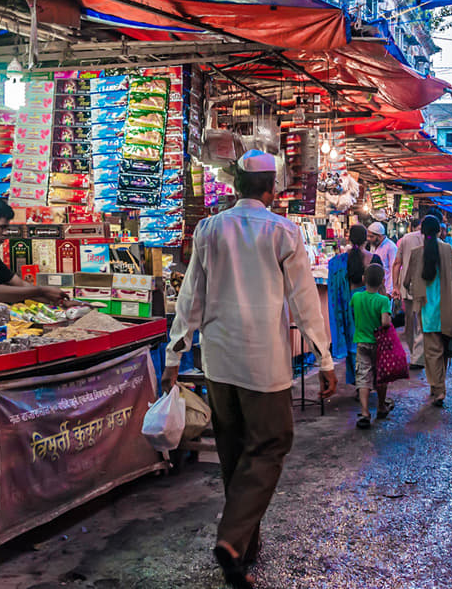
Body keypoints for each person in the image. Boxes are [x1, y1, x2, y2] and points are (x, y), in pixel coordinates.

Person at [161, 150, 338, 589]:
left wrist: (173, 353)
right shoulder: (283, 231)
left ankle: (242, 552)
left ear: (236, 185)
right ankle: (233, 540)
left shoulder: (209, 229)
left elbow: (190, 298)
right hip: (264, 362)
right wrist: (325, 357)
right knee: (273, 442)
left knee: (235, 452)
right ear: (271, 190)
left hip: (218, 360)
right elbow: (302, 301)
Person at [402, 215, 452, 407]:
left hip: (427, 310)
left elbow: (406, 282)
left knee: (432, 351)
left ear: (422, 231)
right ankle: (439, 386)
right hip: (448, 307)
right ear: (439, 231)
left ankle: (437, 388)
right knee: (444, 350)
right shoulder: (450, 250)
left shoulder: (416, 253)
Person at [325, 225, 382, 387]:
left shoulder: (338, 261)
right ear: (366, 239)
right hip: (369, 308)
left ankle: (359, 383)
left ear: (349, 239)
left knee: (353, 345)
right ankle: (372, 382)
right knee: (370, 345)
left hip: (347, 307)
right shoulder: (373, 259)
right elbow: (380, 286)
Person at [351, 264, 393, 429]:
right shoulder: (383, 300)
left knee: (363, 376)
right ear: (383, 281)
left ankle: (364, 412)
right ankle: (381, 406)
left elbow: (354, 313)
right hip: (379, 344)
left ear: (363, 279)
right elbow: (385, 322)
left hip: (361, 342)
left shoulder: (356, 297)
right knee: (380, 376)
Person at [392, 216, 425, 366]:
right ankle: (417, 357)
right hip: (425, 287)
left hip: (407, 286)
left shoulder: (406, 238)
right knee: (421, 322)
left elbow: (396, 264)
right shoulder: (436, 241)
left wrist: (395, 286)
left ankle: (414, 354)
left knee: (410, 323)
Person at [366, 221, 399, 296]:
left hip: (386, 290)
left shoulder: (391, 247)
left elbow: (393, 269)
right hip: (374, 289)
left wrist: (389, 292)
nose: (368, 239)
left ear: (380, 236)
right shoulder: (373, 246)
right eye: (368, 236)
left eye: (371, 236)